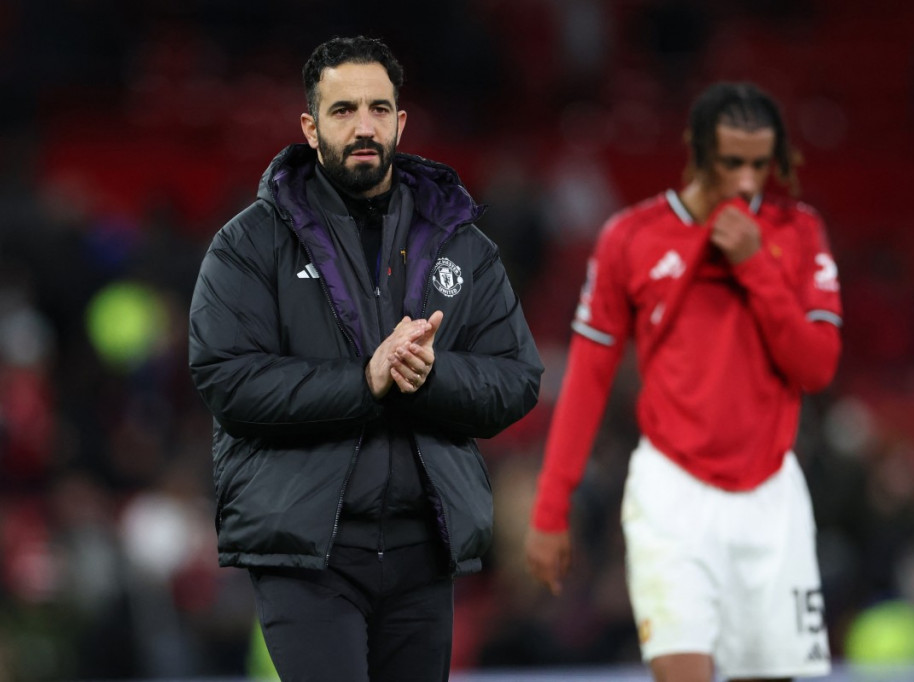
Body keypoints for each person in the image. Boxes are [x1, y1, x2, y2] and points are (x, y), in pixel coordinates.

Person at [188, 35, 543, 681]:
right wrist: (365, 381)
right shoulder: (249, 244)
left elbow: (518, 378)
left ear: (401, 122)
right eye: (343, 110)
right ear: (309, 125)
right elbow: (227, 379)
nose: (363, 127)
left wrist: (431, 377)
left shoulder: (459, 244)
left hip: (422, 550)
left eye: (379, 109)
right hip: (307, 555)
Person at [525, 82, 842, 682]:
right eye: (732, 163)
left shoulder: (797, 232)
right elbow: (589, 379)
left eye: (760, 164)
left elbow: (817, 366)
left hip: (771, 495)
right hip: (672, 491)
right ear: (696, 153)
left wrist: (755, 265)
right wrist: (550, 507)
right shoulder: (632, 236)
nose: (748, 182)